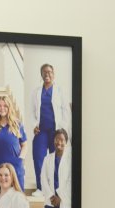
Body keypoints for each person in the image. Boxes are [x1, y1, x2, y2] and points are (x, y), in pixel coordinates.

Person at [29, 64, 70, 192]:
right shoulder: (36, 92)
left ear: (54, 74)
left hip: (55, 131)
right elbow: (32, 111)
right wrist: (34, 125)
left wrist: (62, 128)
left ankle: (55, 188)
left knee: (56, 158)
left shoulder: (59, 90)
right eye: (44, 72)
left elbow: (66, 110)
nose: (47, 74)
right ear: (41, 75)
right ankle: (41, 188)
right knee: (38, 158)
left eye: (50, 72)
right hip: (41, 131)